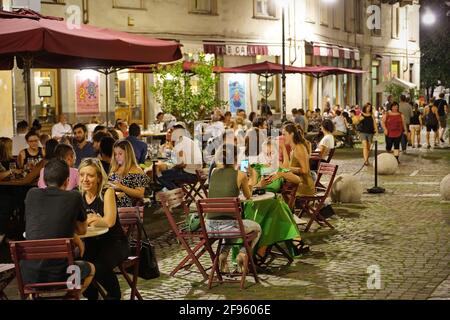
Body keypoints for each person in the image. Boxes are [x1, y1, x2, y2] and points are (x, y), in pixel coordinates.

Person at [22, 159, 95, 293]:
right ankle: (71, 296)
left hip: (28, 276)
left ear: (43, 180)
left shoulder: (31, 194)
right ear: (67, 181)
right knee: (90, 268)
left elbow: (39, 226)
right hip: (63, 275)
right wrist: (74, 235)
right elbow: (83, 230)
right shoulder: (74, 197)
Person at [79, 158, 129, 300]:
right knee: (77, 266)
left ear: (99, 177)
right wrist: (93, 220)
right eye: (82, 175)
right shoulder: (79, 195)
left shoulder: (107, 192)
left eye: (90, 175)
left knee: (98, 266)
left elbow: (110, 221)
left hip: (115, 243)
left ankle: (114, 296)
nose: (85, 179)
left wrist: (93, 220)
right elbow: (75, 224)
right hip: (91, 243)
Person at [208, 144, 262, 274]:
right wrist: (253, 176)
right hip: (229, 226)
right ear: (236, 158)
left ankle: (223, 254)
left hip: (210, 227)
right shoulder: (241, 175)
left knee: (231, 226)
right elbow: (248, 196)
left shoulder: (214, 172)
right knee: (257, 228)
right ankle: (243, 254)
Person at [158, 126, 202, 190]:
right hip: (196, 172)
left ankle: (177, 192)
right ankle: (167, 193)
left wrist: (172, 166)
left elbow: (181, 163)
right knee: (161, 174)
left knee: (159, 175)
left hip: (191, 174)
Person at [277, 123, 315, 197]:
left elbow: (305, 170)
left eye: (284, 134)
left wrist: (289, 169)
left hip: (303, 186)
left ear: (292, 134)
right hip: (295, 184)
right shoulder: (293, 148)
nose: (282, 137)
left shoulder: (299, 148)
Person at [109, 140, 149, 207]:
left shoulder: (137, 170)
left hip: (126, 208)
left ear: (128, 153)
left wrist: (121, 187)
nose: (117, 157)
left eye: (120, 154)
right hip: (111, 202)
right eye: (115, 154)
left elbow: (140, 194)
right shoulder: (115, 168)